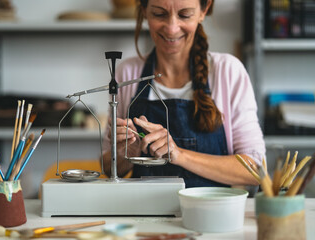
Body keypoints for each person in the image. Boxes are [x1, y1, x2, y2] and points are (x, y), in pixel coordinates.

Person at [101, 0, 265, 188]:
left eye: (184, 15)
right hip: (145, 214)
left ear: (204, 10)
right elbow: (107, 167)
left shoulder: (228, 71)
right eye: (159, 14)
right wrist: (127, 154)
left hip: (210, 213)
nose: (171, 29)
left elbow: (255, 170)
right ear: (144, 11)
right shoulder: (128, 73)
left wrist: (180, 155)